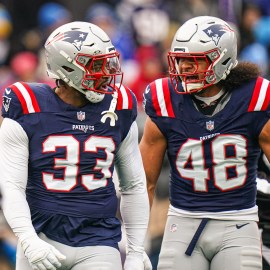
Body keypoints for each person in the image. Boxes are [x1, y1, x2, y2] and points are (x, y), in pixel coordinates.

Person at [0, 21, 152, 270]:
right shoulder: (27, 105)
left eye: (107, 63)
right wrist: (27, 239)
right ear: (67, 67)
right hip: (42, 238)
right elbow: (11, 186)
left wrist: (135, 250)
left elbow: (134, 184)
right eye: (96, 65)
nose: (106, 73)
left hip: (99, 242)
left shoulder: (119, 106)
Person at [139, 15, 270, 270]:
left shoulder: (255, 97)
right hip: (182, 223)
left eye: (193, 61)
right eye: (180, 60)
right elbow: (145, 180)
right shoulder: (163, 97)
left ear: (222, 61)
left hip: (239, 222)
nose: (183, 68)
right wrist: (135, 243)